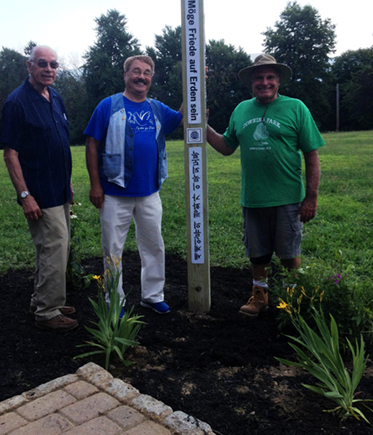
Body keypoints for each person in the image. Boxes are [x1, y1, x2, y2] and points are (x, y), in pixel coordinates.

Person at [207, 54, 325, 317]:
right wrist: (200, 125)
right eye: (259, 77)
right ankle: (259, 296)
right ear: (252, 82)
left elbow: (311, 154)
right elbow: (226, 147)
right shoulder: (241, 110)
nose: (265, 82)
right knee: (258, 253)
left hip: (288, 197)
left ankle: (291, 298)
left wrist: (311, 197)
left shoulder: (296, 108)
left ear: (278, 80)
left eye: (270, 77)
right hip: (254, 197)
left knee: (288, 253)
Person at [84, 55, 183, 314]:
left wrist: (197, 84)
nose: (141, 76)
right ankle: (114, 302)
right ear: (125, 75)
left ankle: (152, 295)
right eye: (136, 71)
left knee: (154, 245)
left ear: (151, 78)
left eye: (147, 72)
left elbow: (183, 116)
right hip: (114, 192)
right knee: (113, 250)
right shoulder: (108, 106)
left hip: (149, 192)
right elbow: (92, 144)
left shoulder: (157, 108)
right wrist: (96, 185)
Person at [1, 45, 77, 331]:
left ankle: (43, 298)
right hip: (39, 191)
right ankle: (47, 312)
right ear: (28, 66)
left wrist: (68, 181)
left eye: (54, 65)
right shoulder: (17, 102)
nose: (49, 69)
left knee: (54, 248)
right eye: (42, 63)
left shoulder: (54, 97)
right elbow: (11, 154)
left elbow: (59, 143)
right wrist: (25, 195)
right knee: (55, 247)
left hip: (59, 187)